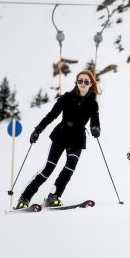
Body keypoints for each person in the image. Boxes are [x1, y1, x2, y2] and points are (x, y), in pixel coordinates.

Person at [15, 70, 100, 209]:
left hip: (78, 139)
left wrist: (96, 129)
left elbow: (95, 121)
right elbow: (51, 115)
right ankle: (24, 198)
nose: (83, 83)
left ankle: (54, 196)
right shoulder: (66, 98)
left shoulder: (92, 103)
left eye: (86, 81)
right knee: (48, 168)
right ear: (76, 82)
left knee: (70, 166)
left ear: (90, 84)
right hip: (61, 135)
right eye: (80, 81)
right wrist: (38, 130)